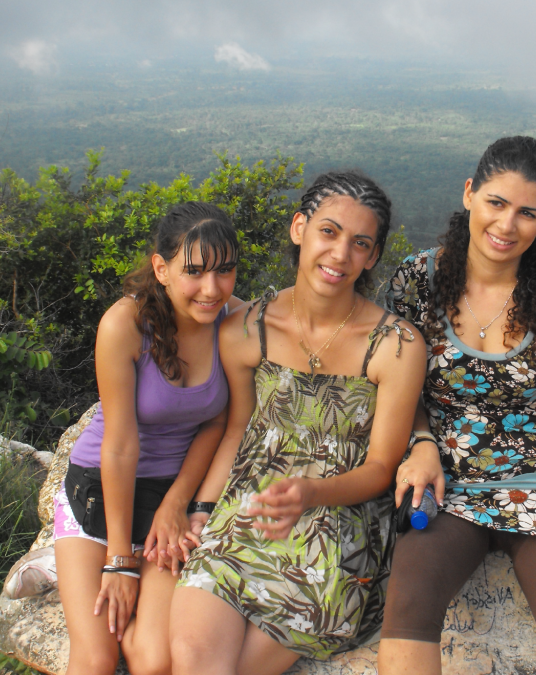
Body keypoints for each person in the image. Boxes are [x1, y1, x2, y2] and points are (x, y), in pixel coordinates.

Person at [169, 171, 427, 675]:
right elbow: (239, 429)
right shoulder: (246, 330)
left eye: (360, 244)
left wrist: (311, 493)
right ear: (299, 229)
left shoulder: (395, 345)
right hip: (246, 516)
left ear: (373, 257)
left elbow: (380, 466)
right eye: (328, 232)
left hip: (335, 533)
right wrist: (203, 507)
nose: (339, 255)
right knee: (195, 660)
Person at [378, 136, 536, 675]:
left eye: (527, 213)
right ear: (469, 194)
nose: (507, 226)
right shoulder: (420, 280)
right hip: (448, 485)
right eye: (496, 203)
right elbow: (398, 387)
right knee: (409, 600)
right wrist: (421, 442)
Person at [54, 202, 243, 675]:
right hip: (100, 488)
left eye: (225, 272)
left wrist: (176, 504)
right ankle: (65, 556)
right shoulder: (126, 325)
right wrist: (119, 561)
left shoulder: (233, 322)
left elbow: (216, 424)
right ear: (161, 268)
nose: (211, 288)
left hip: (167, 496)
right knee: (97, 659)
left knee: (153, 660)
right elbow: (119, 446)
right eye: (193, 272)